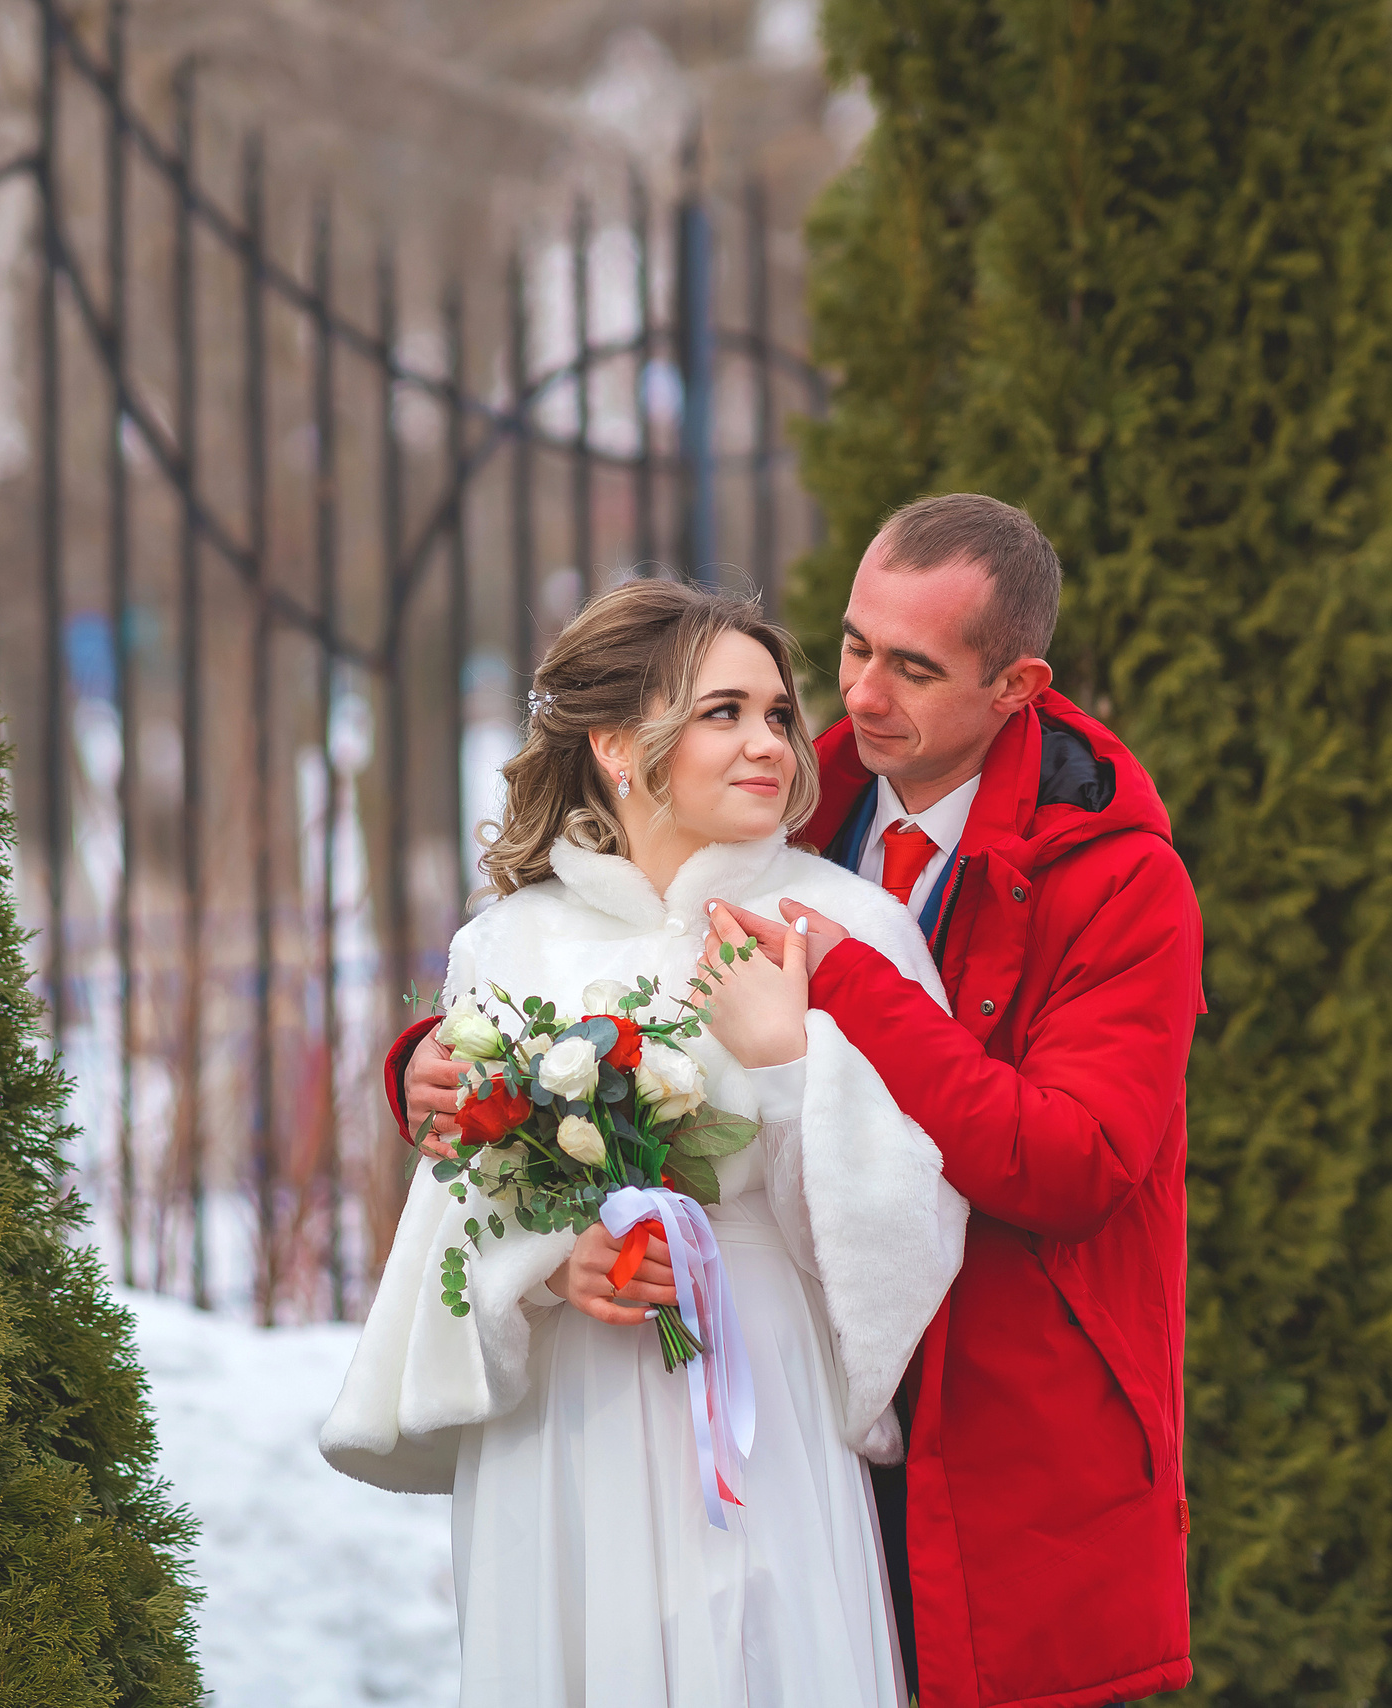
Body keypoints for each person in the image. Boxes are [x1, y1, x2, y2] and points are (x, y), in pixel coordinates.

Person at [391, 495, 1205, 1708]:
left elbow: (1069, 1166)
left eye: (913, 667)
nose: (856, 698)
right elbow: (628, 933)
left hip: (996, 1429)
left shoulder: (1117, 884)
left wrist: (847, 995)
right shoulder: (806, 809)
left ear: (1016, 685)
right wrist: (444, 1067)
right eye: (851, 647)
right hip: (755, 1414)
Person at [321, 577, 969, 1708]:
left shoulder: (853, 926)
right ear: (619, 743)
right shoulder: (506, 948)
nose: (770, 742)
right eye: (723, 712)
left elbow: (909, 1233)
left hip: (762, 1394)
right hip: (569, 1418)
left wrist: (783, 1069)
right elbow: (460, 1213)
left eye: (775, 712)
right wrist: (550, 1260)